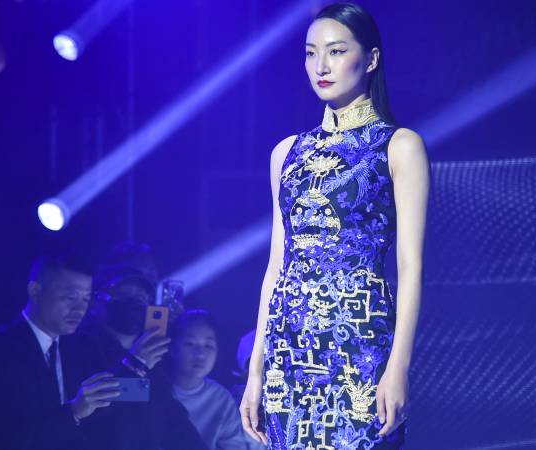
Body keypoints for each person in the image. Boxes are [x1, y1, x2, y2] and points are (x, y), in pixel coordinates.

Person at [239, 2, 430, 449]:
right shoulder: (285, 153)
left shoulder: (399, 146)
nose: (320, 66)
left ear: (371, 59)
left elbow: (410, 268)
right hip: (290, 348)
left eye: (336, 51)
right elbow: (275, 268)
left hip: (359, 346)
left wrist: (398, 367)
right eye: (310, 53)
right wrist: (256, 371)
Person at [0, 253, 119, 450]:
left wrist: (138, 364)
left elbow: (112, 401)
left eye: (85, 299)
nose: (79, 309)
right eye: (70, 297)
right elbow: (5, 435)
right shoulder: (0, 350)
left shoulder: (78, 346)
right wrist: (74, 411)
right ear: (35, 291)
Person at [68, 242, 206, 450]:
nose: (135, 301)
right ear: (96, 301)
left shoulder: (151, 357)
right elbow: (94, 407)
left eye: (141, 297)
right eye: (125, 295)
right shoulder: (77, 346)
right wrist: (135, 365)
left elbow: (173, 420)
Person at [170, 311, 253, 450]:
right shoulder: (152, 388)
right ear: (171, 347)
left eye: (208, 346)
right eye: (190, 344)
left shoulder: (221, 400)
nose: (200, 354)